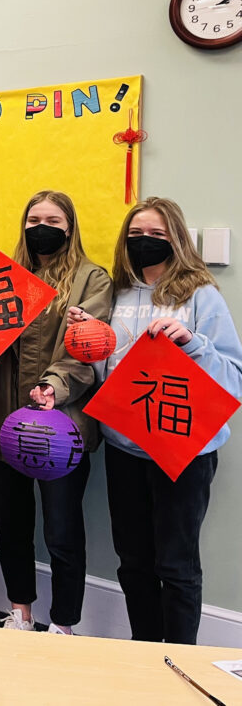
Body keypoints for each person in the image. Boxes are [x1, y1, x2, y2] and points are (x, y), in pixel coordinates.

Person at [71, 197, 242, 644]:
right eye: (136, 235)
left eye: (157, 235)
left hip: (183, 453)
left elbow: (234, 380)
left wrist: (195, 344)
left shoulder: (199, 294)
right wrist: (82, 336)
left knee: (177, 564)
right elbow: (100, 370)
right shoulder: (117, 293)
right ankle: (145, 654)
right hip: (124, 449)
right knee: (133, 561)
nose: (144, 243)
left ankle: (181, 659)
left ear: (177, 240)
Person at [0, 191, 112, 634]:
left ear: (70, 227)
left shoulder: (93, 279)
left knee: (62, 532)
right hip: (5, 418)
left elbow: (86, 350)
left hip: (62, 424)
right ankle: (20, 612)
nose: (42, 226)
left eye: (53, 219)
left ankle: (65, 624)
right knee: (10, 526)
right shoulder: (3, 277)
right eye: (34, 218)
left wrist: (52, 387)